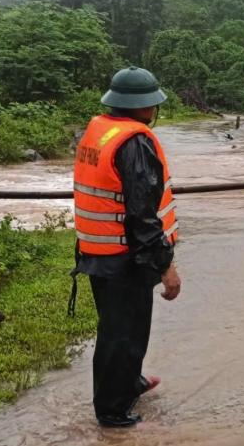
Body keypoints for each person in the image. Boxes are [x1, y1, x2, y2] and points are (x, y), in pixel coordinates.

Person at [69, 66, 182, 428]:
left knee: (130, 329)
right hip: (125, 258)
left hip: (98, 254)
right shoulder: (134, 142)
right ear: (144, 107)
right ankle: (112, 411)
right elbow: (143, 216)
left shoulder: (100, 130)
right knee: (119, 336)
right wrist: (166, 266)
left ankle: (129, 382)